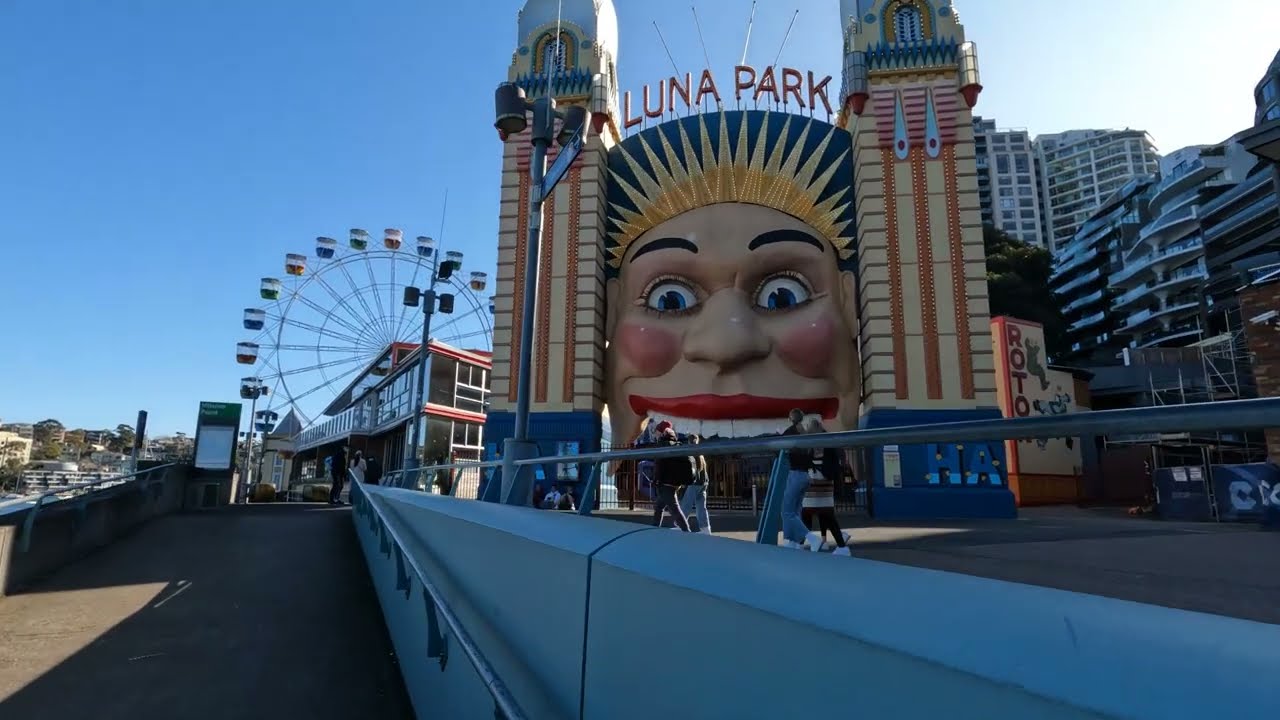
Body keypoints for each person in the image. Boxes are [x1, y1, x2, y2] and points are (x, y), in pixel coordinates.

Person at [800, 416, 851, 556]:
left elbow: (809, 459)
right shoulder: (827, 440)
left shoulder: (812, 441)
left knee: (807, 515)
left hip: (814, 484)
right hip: (825, 485)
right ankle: (841, 546)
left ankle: (801, 544)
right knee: (826, 516)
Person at [780, 410, 823, 551]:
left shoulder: (790, 432)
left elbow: (779, 446)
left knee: (787, 511)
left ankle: (811, 538)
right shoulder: (805, 434)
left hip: (795, 474)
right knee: (795, 511)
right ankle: (794, 542)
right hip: (805, 475)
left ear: (791, 419)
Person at [652, 425, 693, 531]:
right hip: (675, 483)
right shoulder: (678, 445)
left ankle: (686, 531)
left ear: (663, 435)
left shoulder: (662, 445)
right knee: (659, 507)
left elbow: (659, 465)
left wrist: (656, 480)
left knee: (675, 510)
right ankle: (655, 528)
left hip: (665, 484)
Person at [678, 434, 712, 534]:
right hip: (704, 482)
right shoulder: (700, 452)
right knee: (701, 507)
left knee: (686, 505)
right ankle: (705, 529)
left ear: (688, 442)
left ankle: (681, 526)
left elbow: (690, 470)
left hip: (695, 483)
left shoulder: (691, 452)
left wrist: (684, 481)